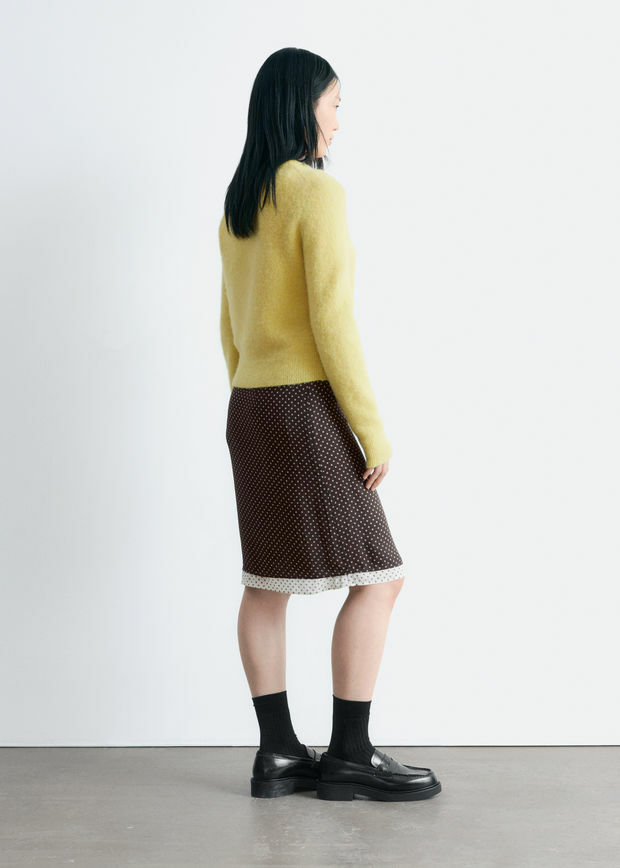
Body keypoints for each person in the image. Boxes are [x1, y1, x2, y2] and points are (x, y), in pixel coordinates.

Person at [219, 47, 441, 802]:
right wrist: (369, 429)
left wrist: (250, 398)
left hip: (248, 407)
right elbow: (332, 321)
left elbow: (229, 328)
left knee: (265, 584)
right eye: (335, 104)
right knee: (380, 576)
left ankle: (279, 754)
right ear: (302, 106)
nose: (340, 121)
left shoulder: (239, 203)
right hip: (303, 406)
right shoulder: (315, 193)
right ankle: (350, 754)